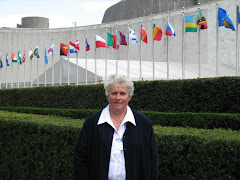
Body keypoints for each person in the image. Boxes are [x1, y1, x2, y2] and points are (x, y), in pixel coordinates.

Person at [74, 74, 159, 180]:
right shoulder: (92, 123)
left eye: (122, 93)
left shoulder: (144, 123)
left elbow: (152, 160)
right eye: (114, 93)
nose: (118, 98)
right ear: (107, 95)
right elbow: (81, 159)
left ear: (129, 96)